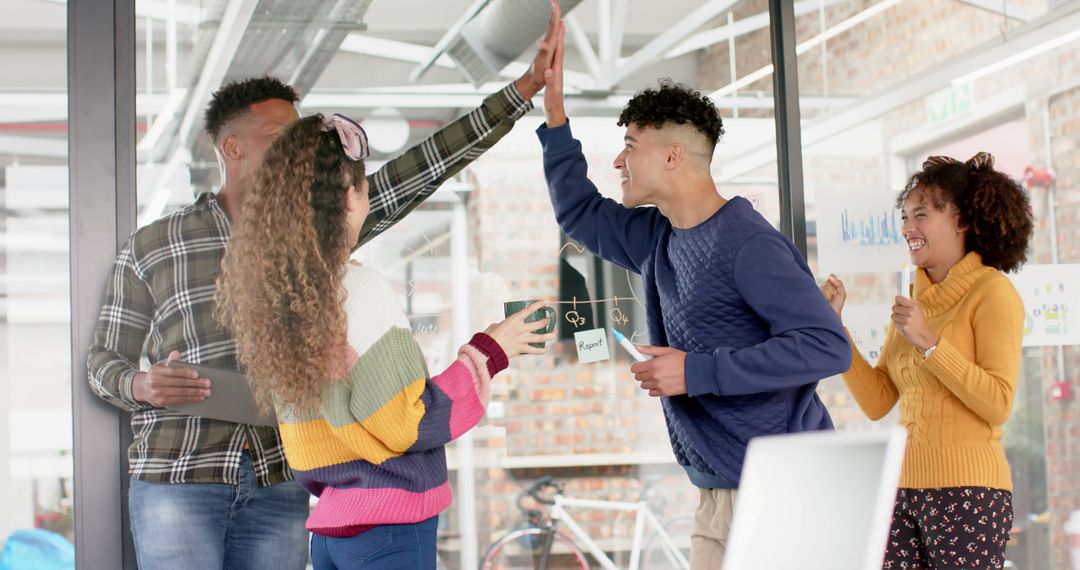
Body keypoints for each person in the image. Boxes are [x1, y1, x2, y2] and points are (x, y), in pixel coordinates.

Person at [84, 5, 563, 567]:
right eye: (281, 136)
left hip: (283, 477)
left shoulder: (319, 227)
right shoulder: (154, 246)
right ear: (231, 148)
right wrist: (141, 385)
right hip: (180, 471)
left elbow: (426, 165)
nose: (302, 147)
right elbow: (101, 361)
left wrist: (526, 87)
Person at [535, 23, 851, 570]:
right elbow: (581, 214)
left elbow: (828, 347)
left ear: (674, 156)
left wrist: (695, 373)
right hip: (719, 493)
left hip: (783, 489)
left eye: (630, 146)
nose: (619, 161)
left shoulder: (747, 244)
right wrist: (556, 119)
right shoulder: (659, 235)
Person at [215, 112, 555, 569]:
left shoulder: (287, 301)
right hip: (389, 529)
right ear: (350, 197)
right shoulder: (360, 291)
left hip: (334, 533)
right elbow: (405, 424)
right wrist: (491, 352)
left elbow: (312, 439)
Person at [821, 153, 1034, 570]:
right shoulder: (913, 299)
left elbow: (998, 402)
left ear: (962, 221)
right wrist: (836, 329)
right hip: (902, 488)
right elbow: (878, 400)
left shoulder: (993, 293)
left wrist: (931, 344)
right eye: (904, 217)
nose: (907, 228)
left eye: (920, 214)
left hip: (969, 491)